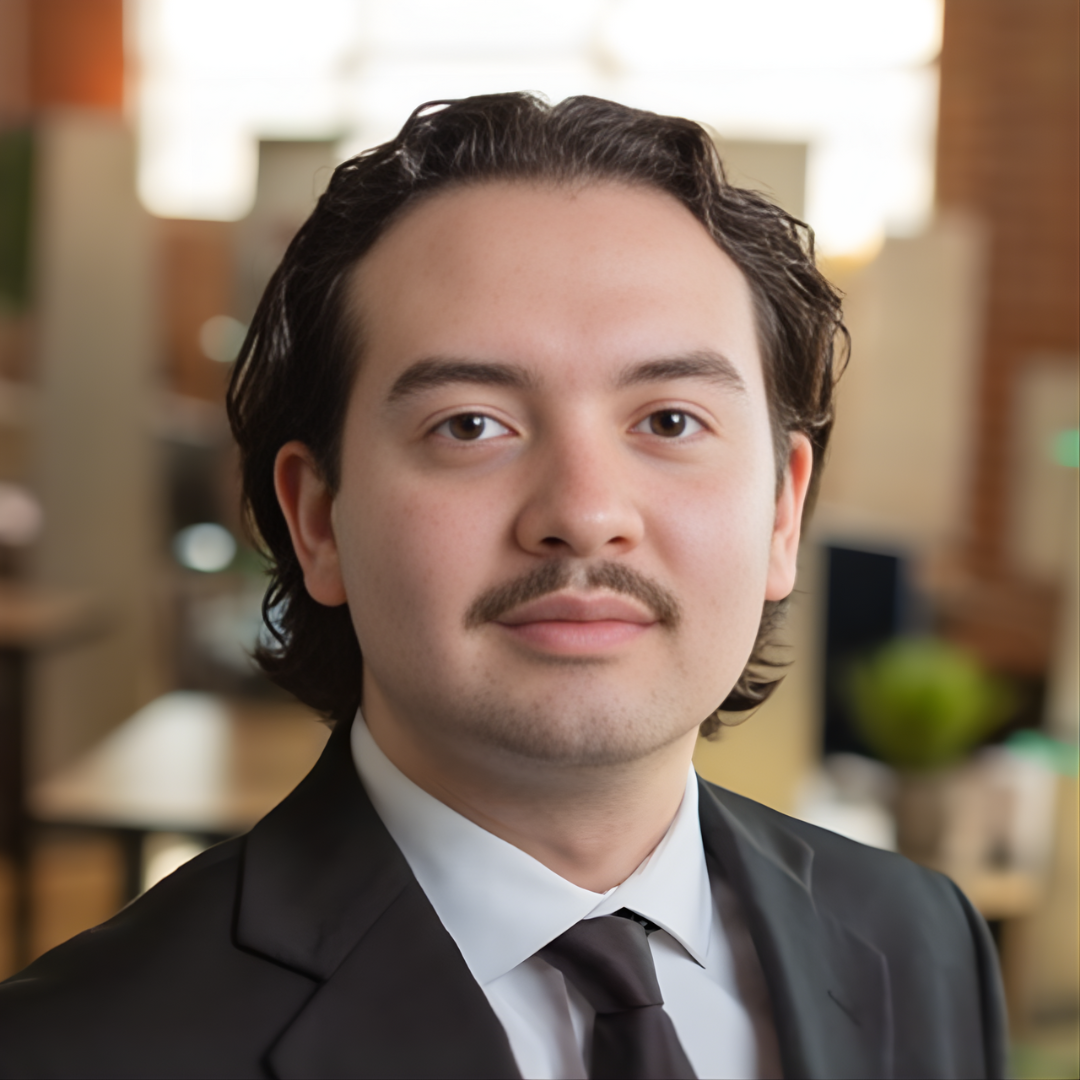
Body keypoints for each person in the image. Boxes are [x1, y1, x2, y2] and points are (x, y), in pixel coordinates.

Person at [0, 93, 1004, 1080]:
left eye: (668, 421)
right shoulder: (78, 1049)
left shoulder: (923, 945)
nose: (582, 510)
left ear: (783, 513)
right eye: (471, 424)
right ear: (316, 520)